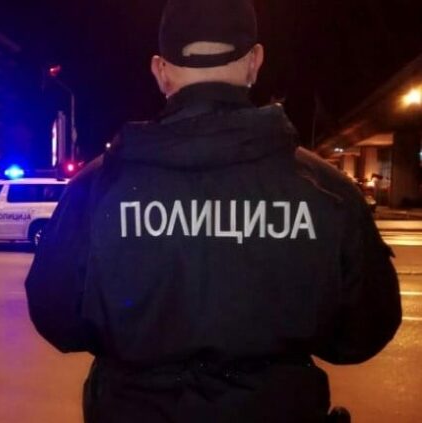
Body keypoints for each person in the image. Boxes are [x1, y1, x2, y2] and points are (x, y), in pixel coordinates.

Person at [24, 1, 402, 422]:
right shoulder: (327, 191)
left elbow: (55, 316)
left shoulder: (94, 189)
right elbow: (365, 332)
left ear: (160, 71)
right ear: (254, 62)